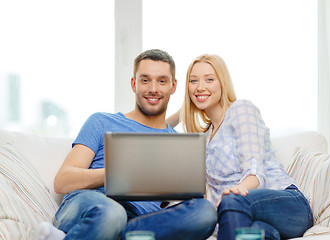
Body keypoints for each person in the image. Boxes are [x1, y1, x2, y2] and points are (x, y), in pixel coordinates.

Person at [33, 49, 217, 240]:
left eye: (161, 81)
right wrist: (119, 173)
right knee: (112, 214)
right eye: (145, 80)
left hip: (141, 220)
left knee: (204, 212)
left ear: (173, 86)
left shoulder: (177, 145)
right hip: (94, 206)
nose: (153, 88)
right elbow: (63, 181)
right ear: (133, 84)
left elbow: (182, 205)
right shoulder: (101, 121)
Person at [168, 54, 313, 240]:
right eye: (193, 81)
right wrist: (187, 106)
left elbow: (255, 173)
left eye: (209, 79)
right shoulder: (204, 138)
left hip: (288, 206)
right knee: (258, 232)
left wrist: (234, 194)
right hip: (244, 214)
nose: (200, 86)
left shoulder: (241, 109)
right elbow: (156, 133)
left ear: (223, 83)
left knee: (231, 202)